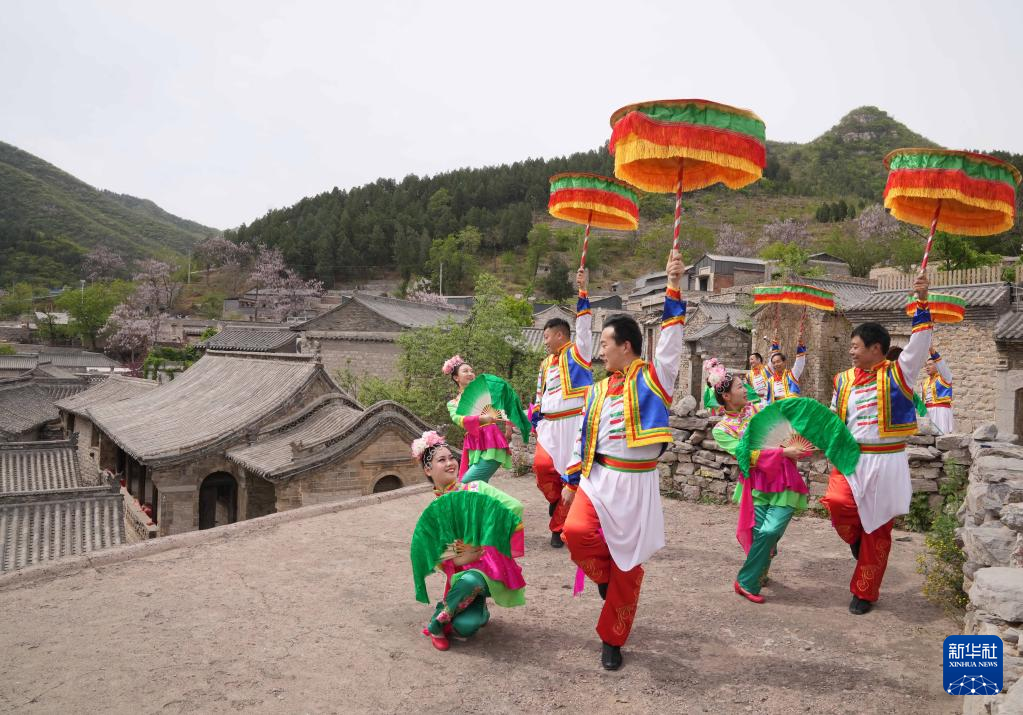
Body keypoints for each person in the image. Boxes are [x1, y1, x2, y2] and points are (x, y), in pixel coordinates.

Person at [561, 252, 686, 671]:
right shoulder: (596, 391)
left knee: (628, 565)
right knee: (576, 533)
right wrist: (573, 478)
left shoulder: (654, 379)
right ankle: (605, 581)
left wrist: (674, 284)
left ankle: (612, 638)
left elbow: (670, 342)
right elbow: (584, 438)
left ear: (625, 345)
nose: (600, 350)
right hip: (597, 479)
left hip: (635, 484)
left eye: (605, 343)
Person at [820, 272, 931, 615]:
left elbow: (920, 344)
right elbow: (834, 418)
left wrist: (922, 301)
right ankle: (853, 537)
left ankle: (865, 592)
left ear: (876, 349)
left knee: (879, 530)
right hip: (851, 457)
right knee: (836, 503)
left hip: (887, 462)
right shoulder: (842, 380)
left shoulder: (899, 374)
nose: (850, 352)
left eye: (855, 347)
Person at [411, 431, 526, 652]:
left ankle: (436, 623)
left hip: (489, 567)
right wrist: (462, 554)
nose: (450, 463)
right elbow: (435, 556)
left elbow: (514, 508)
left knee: (474, 579)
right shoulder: (434, 514)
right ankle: (471, 608)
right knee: (466, 628)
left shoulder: (477, 488)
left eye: (451, 458)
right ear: (428, 469)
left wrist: (482, 541)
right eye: (441, 460)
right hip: (460, 577)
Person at [708, 359, 809, 603]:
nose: (746, 389)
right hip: (755, 484)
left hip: (783, 476)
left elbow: (785, 428)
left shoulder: (761, 409)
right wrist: (782, 452)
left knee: (771, 530)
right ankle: (752, 578)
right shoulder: (722, 430)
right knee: (759, 533)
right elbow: (746, 456)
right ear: (727, 397)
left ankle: (746, 578)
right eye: (740, 386)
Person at [532, 267, 594, 548]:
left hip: (573, 423)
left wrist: (582, 291)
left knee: (572, 475)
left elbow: (583, 328)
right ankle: (557, 505)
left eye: (546, 336)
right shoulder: (545, 364)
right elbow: (539, 394)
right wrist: (534, 415)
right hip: (549, 424)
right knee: (543, 467)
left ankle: (559, 527)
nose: (544, 342)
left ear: (559, 335)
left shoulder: (578, 353)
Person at [445, 357, 514, 484]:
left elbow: (508, 405)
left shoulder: (487, 393)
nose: (470, 374)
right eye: (465, 371)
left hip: (492, 442)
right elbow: (458, 419)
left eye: (471, 371)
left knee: (468, 482)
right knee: (480, 488)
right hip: (474, 445)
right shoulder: (453, 403)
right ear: (456, 378)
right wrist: (480, 418)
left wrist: (508, 427)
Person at [923, 348, 955, 435]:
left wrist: (932, 350)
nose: (927, 367)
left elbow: (942, 366)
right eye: (926, 365)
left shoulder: (945, 377)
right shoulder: (925, 382)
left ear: (937, 366)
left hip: (941, 411)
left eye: (930, 364)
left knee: (941, 434)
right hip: (928, 412)